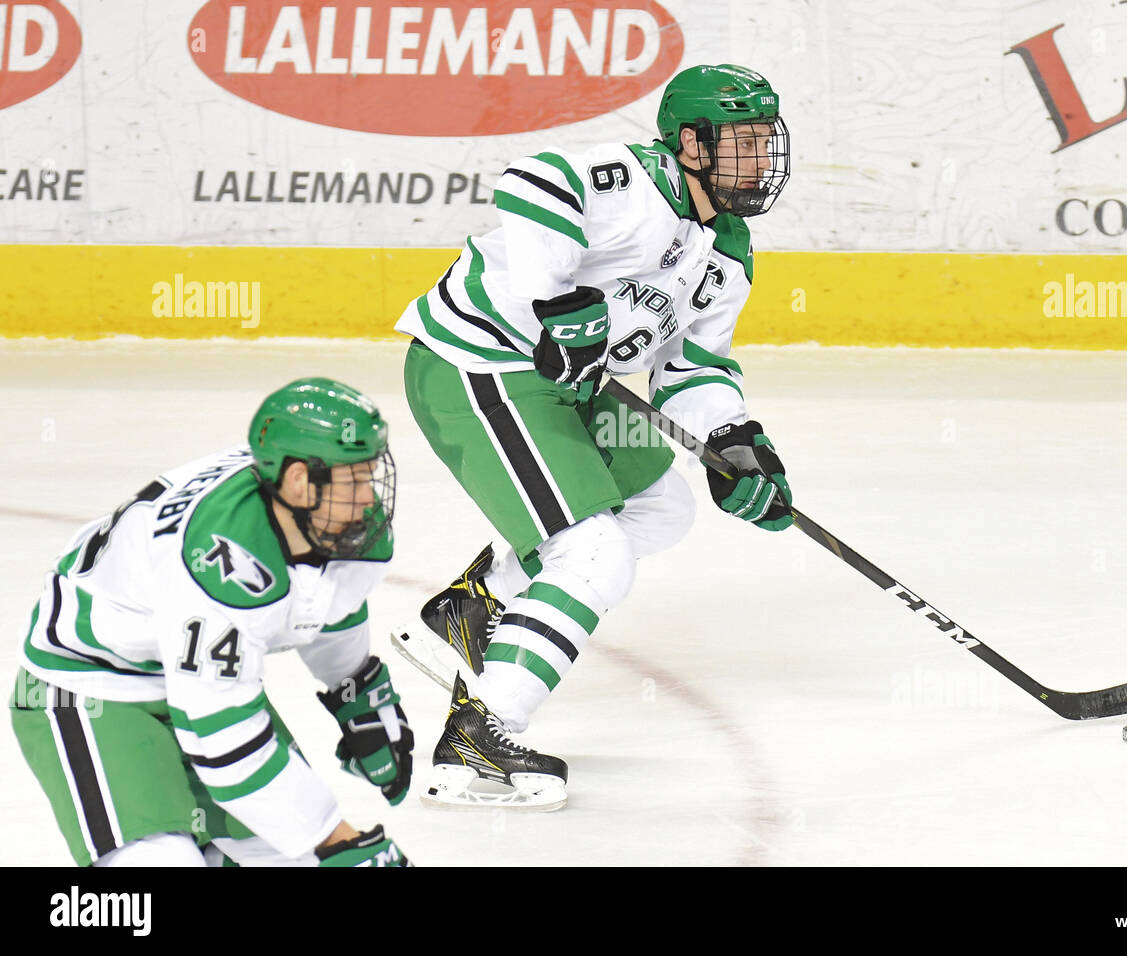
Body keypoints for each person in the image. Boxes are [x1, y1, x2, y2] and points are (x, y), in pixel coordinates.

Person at [394, 64, 795, 810]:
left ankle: (476, 604)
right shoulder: (634, 180)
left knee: (661, 509)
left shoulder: (728, 250)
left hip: (566, 386)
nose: (763, 160)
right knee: (594, 550)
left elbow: (691, 366)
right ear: (691, 145)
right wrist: (561, 300)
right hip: (481, 364)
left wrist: (735, 442)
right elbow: (532, 182)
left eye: (766, 141)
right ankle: (480, 737)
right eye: (743, 142)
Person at [10, 378, 413, 866]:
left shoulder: (327, 517)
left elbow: (331, 596)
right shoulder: (217, 562)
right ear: (298, 483)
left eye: (369, 474)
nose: (369, 497)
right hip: (95, 689)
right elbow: (223, 737)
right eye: (354, 480)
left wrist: (354, 688)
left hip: (191, 670)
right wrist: (337, 841)